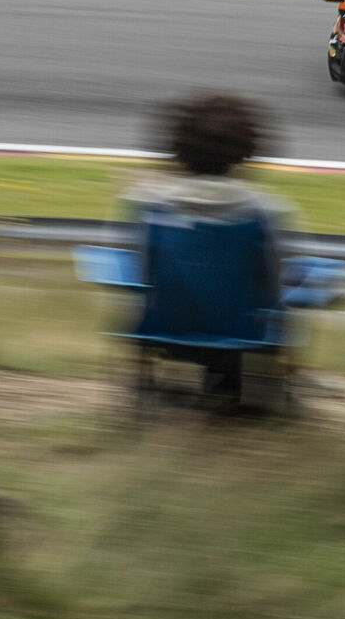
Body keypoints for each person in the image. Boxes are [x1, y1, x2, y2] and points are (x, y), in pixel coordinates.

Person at [122, 92, 295, 411]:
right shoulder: (264, 211)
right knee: (283, 307)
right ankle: (260, 397)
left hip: (164, 329)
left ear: (179, 147)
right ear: (245, 150)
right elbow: (272, 286)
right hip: (241, 337)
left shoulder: (149, 207)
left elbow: (141, 271)